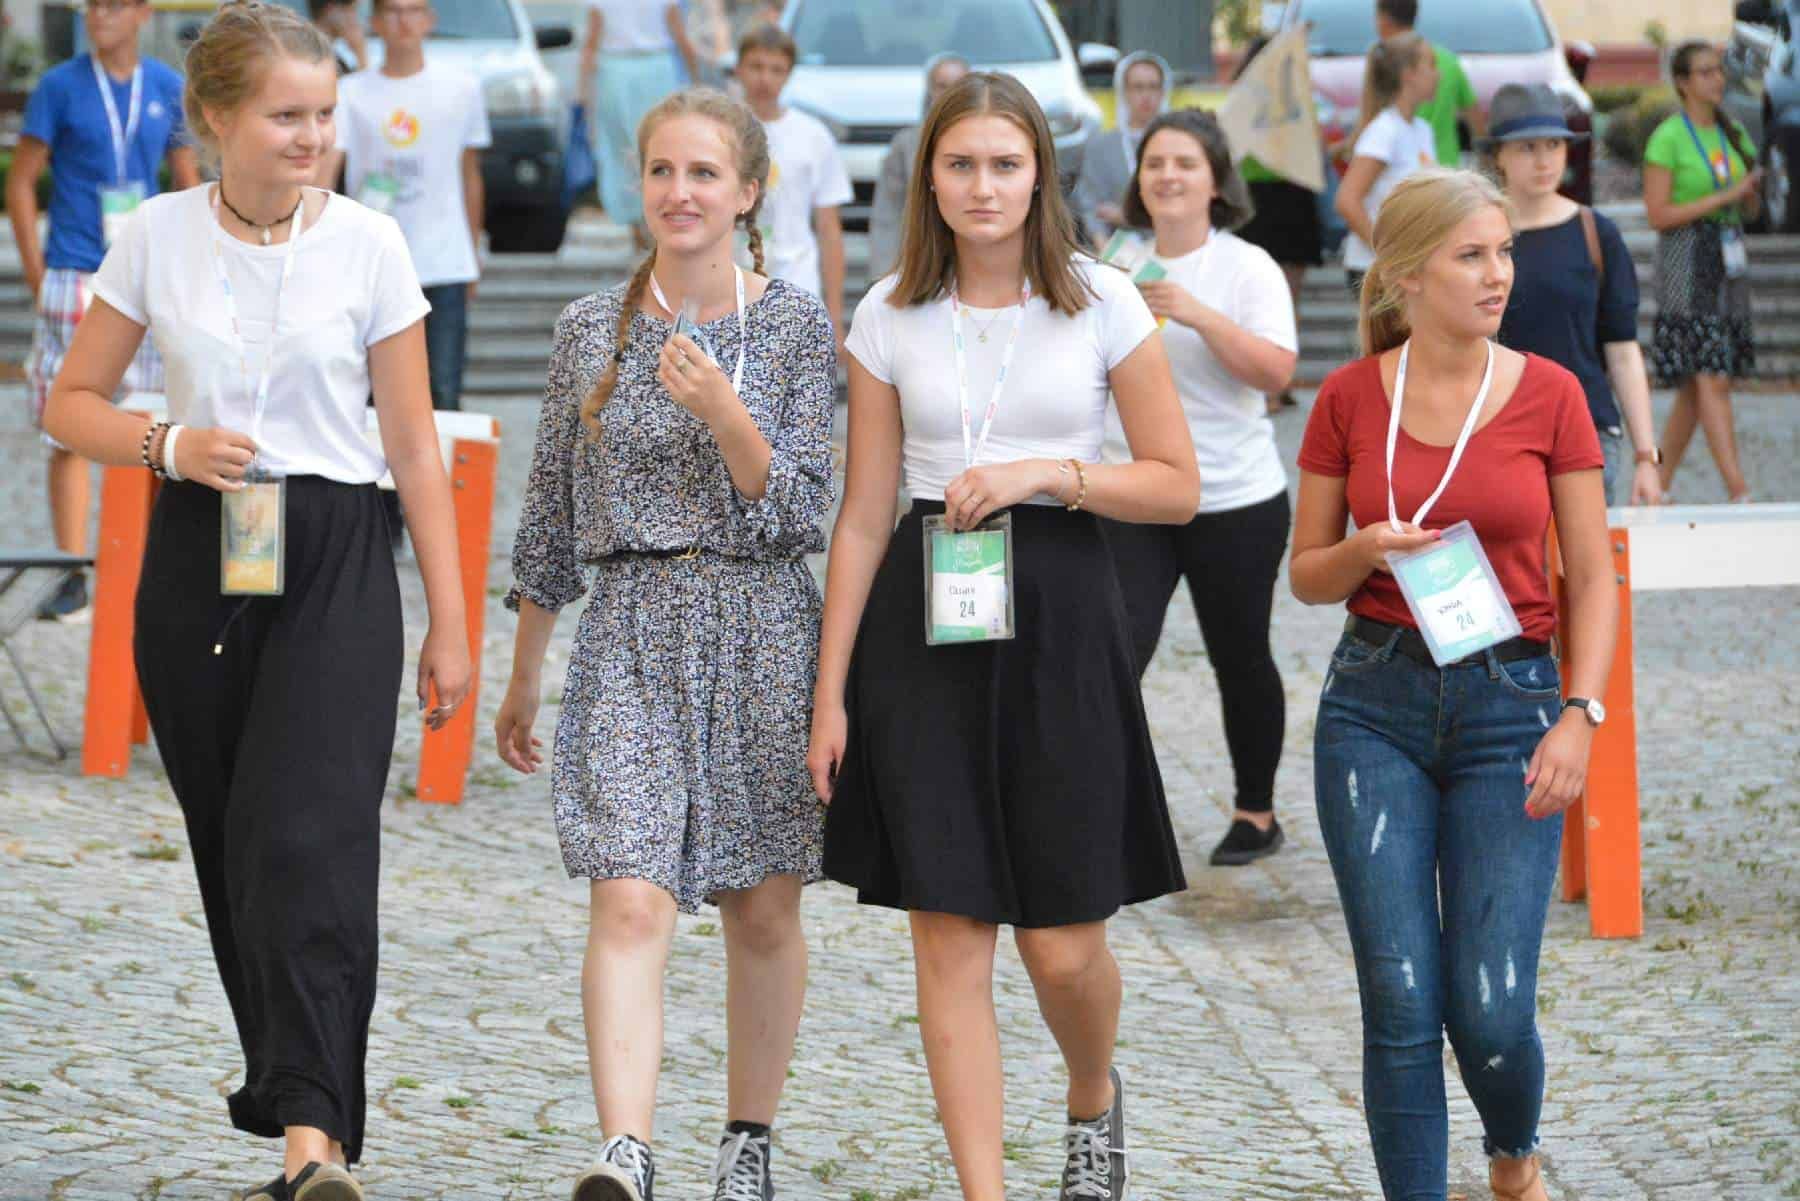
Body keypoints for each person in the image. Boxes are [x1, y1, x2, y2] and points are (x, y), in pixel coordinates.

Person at [41, 5, 472, 1199]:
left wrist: (452, 621)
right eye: (287, 115)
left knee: (310, 837)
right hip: (200, 553)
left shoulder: (373, 244)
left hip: (337, 553)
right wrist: (168, 443)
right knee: (237, 844)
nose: (312, 136)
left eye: (324, 114)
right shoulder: (156, 235)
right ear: (215, 117)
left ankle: (312, 1142)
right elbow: (69, 404)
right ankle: (291, 1095)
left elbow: (415, 446)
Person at [810, 72, 1200, 1201]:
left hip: (1064, 614)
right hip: (922, 630)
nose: (983, 186)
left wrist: (1047, 474)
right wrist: (830, 693)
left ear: (1040, 176)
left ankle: (1091, 1091)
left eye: (1004, 164)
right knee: (949, 933)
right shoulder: (887, 313)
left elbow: (1175, 484)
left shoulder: (1104, 300)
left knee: (1062, 944)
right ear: (928, 178)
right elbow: (862, 515)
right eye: (961, 164)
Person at [495, 86, 835, 1201]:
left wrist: (728, 415)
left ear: (748, 193)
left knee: (762, 906)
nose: (679, 192)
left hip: (762, 628)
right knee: (630, 895)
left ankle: (747, 1144)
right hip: (631, 630)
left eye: (703, 173)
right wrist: (525, 672)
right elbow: (550, 512)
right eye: (660, 171)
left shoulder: (792, 326)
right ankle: (627, 1151)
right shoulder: (588, 328)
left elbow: (803, 513)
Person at [1291, 168, 1618, 1201]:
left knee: (1490, 1004)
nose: (1498, 274)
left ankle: (1513, 1154)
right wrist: (1364, 549)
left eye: (1504, 252)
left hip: (1512, 704)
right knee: (1399, 997)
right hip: (1373, 704)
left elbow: (1591, 574)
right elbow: (1307, 574)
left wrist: (1580, 713)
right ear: (1406, 275)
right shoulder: (1349, 397)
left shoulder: (1551, 394)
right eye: (1471, 255)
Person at [1099, 109, 1299, 867]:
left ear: (1216, 181)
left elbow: (1276, 374)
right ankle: (1106, 809)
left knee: (1239, 654)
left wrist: (1196, 314)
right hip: (1135, 493)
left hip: (1233, 497)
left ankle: (1256, 812)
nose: (1168, 176)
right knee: (1114, 650)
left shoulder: (1248, 266)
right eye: (1154, 163)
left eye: (1185, 163)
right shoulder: (1114, 260)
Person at [8, 0, 199, 621]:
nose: (99, 17)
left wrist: (193, 269)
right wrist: (38, 274)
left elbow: (188, 181)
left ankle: (145, 568)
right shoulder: (60, 86)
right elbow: (22, 179)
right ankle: (72, 574)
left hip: (144, 274)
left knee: (148, 422)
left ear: (142, 13)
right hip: (75, 269)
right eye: (92, 6)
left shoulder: (165, 86)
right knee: (64, 426)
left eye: (114, 5)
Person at [1486, 84, 1664, 507]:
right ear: (1498, 155)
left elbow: (1622, 349)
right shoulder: (1478, 237)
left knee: (1584, 547)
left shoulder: (1596, 233)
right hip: (1497, 429)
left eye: (1554, 145)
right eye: (1528, 147)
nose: (1544, 160)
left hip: (1587, 428)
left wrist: (1646, 457)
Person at [322, 0, 490, 412]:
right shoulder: (351, 92)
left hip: (444, 262)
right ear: (376, 22)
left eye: (414, 11)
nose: (404, 22)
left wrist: (471, 252)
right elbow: (327, 173)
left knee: (443, 391)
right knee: (374, 395)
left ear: (430, 19)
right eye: (393, 12)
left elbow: (469, 174)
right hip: (372, 264)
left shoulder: (462, 88)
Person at [1643, 39, 1761, 503]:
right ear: (1682, 82)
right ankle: (1739, 490)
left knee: (1698, 387)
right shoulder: (1668, 138)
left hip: (1728, 260)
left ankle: (1658, 485)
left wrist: (1750, 197)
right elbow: (1658, 214)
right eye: (1706, 71)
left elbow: (1750, 209)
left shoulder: (1734, 133)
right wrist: (1725, 197)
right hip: (1686, 261)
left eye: (1719, 70)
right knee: (1712, 376)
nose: (1717, 79)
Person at [734, 24, 851, 350]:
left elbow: (829, 228)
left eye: (776, 70)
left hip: (796, 279)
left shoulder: (813, 135)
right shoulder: (719, 130)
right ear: (739, 68)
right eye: (756, 67)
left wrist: (835, 317)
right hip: (728, 279)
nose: (765, 79)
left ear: (788, 75)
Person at [1231, 33, 1325, 414]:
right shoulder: (1255, 101)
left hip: (1283, 197)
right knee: (1273, 297)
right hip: (1268, 199)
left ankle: (1278, 381)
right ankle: (1268, 386)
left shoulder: (1291, 99)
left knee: (1286, 297)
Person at [581, 0, 700, 249]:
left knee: (621, 151)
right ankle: (657, 218)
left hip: (615, 71)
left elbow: (590, 44)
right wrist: (696, 81)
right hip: (655, 69)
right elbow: (681, 37)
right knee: (662, 147)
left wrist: (583, 94)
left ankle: (637, 223)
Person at [1336, 33, 1437, 295]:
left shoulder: (1421, 129)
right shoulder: (1384, 130)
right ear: (1409, 75)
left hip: (1409, 268)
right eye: (1431, 65)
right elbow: (1347, 201)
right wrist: (1388, 255)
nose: (1438, 74)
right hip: (1375, 270)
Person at [869, 52, 971, 278]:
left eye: (958, 85)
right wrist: (883, 274)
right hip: (921, 265)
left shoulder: (992, 141)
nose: (950, 93)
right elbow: (887, 215)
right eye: (942, 86)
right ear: (929, 91)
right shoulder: (906, 144)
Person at [1071, 51, 1170, 247]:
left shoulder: (1179, 145)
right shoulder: (1102, 147)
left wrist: (1126, 217)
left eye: (1153, 87)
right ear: (1124, 91)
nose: (1146, 96)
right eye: (1138, 87)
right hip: (1119, 253)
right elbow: (1091, 206)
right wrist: (1106, 253)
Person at [1374, 0, 1483, 168]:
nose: (1438, 75)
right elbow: (1476, 121)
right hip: (1447, 168)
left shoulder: (1381, 63)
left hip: (1429, 172)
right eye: (1432, 67)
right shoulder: (1448, 60)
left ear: (1383, 19)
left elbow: (1369, 116)